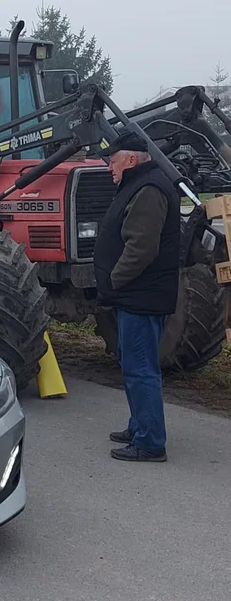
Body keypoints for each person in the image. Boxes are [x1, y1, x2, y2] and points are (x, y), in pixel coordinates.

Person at [94, 130, 180, 463]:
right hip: (134, 296)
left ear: (131, 159)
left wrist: (114, 281)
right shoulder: (140, 184)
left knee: (141, 370)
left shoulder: (149, 189)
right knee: (131, 365)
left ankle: (150, 442)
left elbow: (141, 247)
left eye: (111, 160)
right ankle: (138, 425)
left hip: (141, 297)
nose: (108, 168)